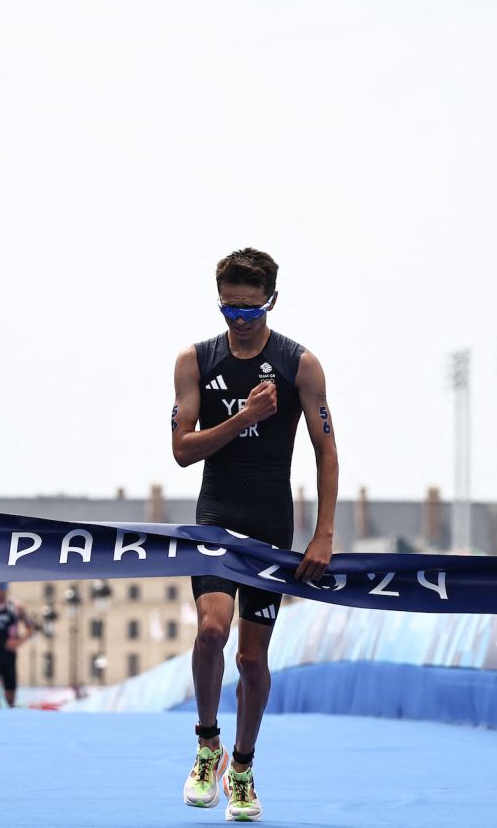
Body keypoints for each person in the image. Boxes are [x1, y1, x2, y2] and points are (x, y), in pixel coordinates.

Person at [170, 248, 338, 821]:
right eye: (229, 310)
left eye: (250, 310)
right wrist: (244, 418)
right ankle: (206, 746)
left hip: (271, 519)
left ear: (271, 300)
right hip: (216, 512)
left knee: (252, 660)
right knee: (212, 630)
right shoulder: (195, 361)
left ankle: (242, 767)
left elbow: (325, 450)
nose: (239, 322)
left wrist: (323, 535)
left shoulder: (300, 365)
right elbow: (182, 451)